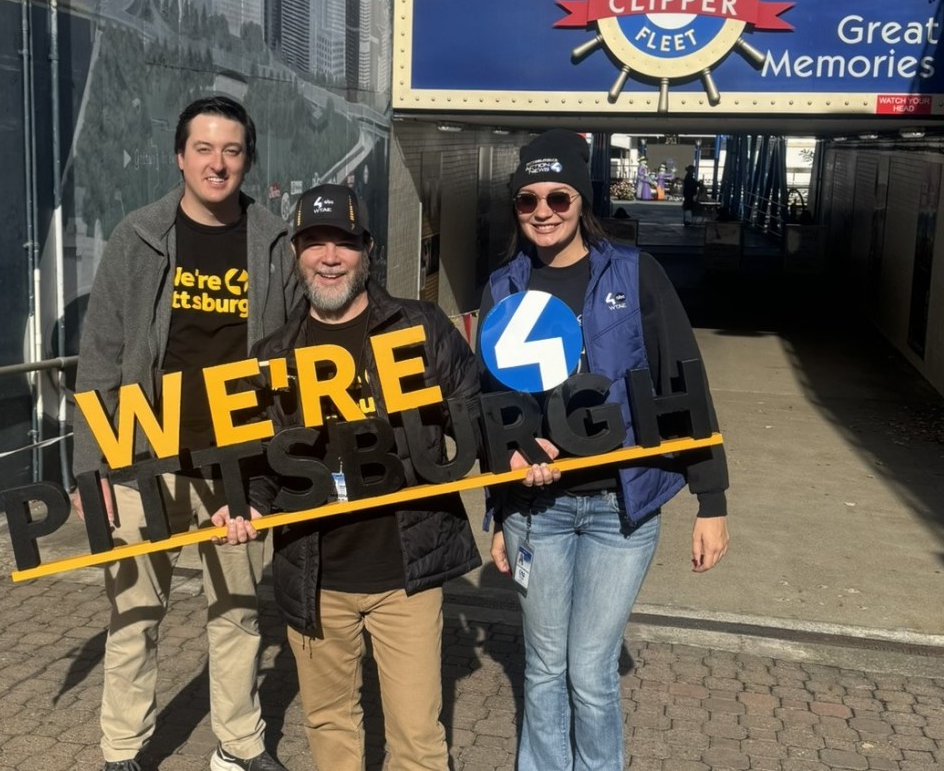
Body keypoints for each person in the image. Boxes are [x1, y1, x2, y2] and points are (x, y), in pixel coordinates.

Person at [480, 129, 730, 771]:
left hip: (623, 510)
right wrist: (497, 509)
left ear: (579, 200)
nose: (543, 211)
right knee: (542, 667)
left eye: (558, 197)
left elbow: (684, 376)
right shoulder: (503, 289)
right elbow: (490, 405)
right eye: (528, 200)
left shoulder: (634, 273)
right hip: (538, 512)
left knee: (589, 671)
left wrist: (712, 498)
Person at [215, 183, 481, 771]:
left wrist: (516, 453)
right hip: (315, 576)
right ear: (296, 253)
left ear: (368, 251)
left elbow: (476, 410)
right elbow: (259, 462)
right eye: (315, 242)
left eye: (344, 243)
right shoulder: (271, 355)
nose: (329, 257)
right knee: (330, 727)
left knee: (417, 738)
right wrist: (244, 505)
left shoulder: (420, 328)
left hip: (405, 574)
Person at [71, 95, 297, 771]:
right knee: (136, 609)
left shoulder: (274, 242)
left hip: (238, 457)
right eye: (203, 148)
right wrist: (93, 466)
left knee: (236, 608)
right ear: (180, 156)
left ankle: (238, 744)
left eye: (231, 150)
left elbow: (290, 356)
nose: (217, 163)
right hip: (144, 454)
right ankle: (122, 750)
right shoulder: (137, 237)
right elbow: (100, 356)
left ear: (247, 159)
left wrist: (277, 465)